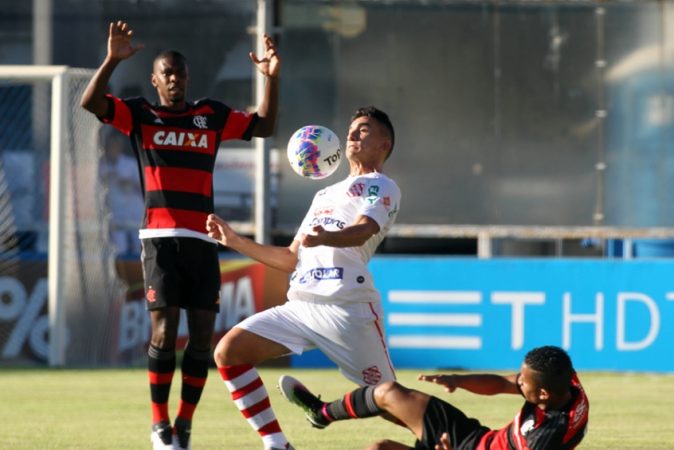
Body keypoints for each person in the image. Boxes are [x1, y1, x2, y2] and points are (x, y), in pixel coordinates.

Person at [80, 20, 280, 450]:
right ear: (154, 80)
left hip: (205, 240)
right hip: (159, 238)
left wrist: (272, 80)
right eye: (166, 73)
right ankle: (159, 425)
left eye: (180, 72)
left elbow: (263, 126)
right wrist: (112, 60)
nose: (174, 78)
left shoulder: (211, 116)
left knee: (203, 337)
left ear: (188, 78)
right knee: (164, 333)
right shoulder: (139, 114)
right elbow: (90, 101)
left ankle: (184, 425)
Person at [205, 106, 401, 450]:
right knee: (228, 352)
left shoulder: (381, 185)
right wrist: (235, 241)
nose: (353, 134)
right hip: (302, 305)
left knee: (391, 403)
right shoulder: (323, 195)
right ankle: (278, 444)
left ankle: (456, 439)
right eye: (352, 129)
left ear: (385, 144)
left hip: (347, 309)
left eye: (365, 130)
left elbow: (363, 230)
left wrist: (326, 238)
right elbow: (288, 258)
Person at [278, 345, 589, 450]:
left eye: (525, 382)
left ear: (544, 394)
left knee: (378, 449)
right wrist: (457, 380)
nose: (519, 381)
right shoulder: (566, 382)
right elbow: (505, 383)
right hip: (474, 438)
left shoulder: (546, 437)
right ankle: (321, 413)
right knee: (388, 395)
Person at [98, 130, 144, 256]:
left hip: (135, 211)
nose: (112, 149)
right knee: (119, 248)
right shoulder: (101, 166)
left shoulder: (131, 164)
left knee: (138, 246)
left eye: (114, 146)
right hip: (116, 213)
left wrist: (128, 183)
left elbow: (144, 188)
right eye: (109, 146)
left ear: (120, 147)